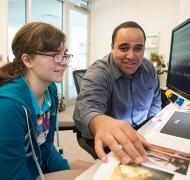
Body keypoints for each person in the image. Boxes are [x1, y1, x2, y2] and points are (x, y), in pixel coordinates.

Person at [0, 22, 92, 180]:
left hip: (37, 165)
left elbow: (45, 147)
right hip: (18, 174)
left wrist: (66, 170)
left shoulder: (50, 90)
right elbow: (13, 176)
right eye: (54, 55)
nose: (64, 62)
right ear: (28, 60)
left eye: (65, 54)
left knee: (104, 171)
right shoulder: (8, 107)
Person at [73, 21, 162, 165]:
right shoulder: (98, 72)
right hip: (112, 139)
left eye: (138, 48)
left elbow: (156, 101)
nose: (131, 56)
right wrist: (99, 122)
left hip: (143, 130)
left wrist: (151, 129)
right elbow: (86, 106)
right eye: (124, 48)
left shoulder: (149, 68)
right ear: (112, 47)